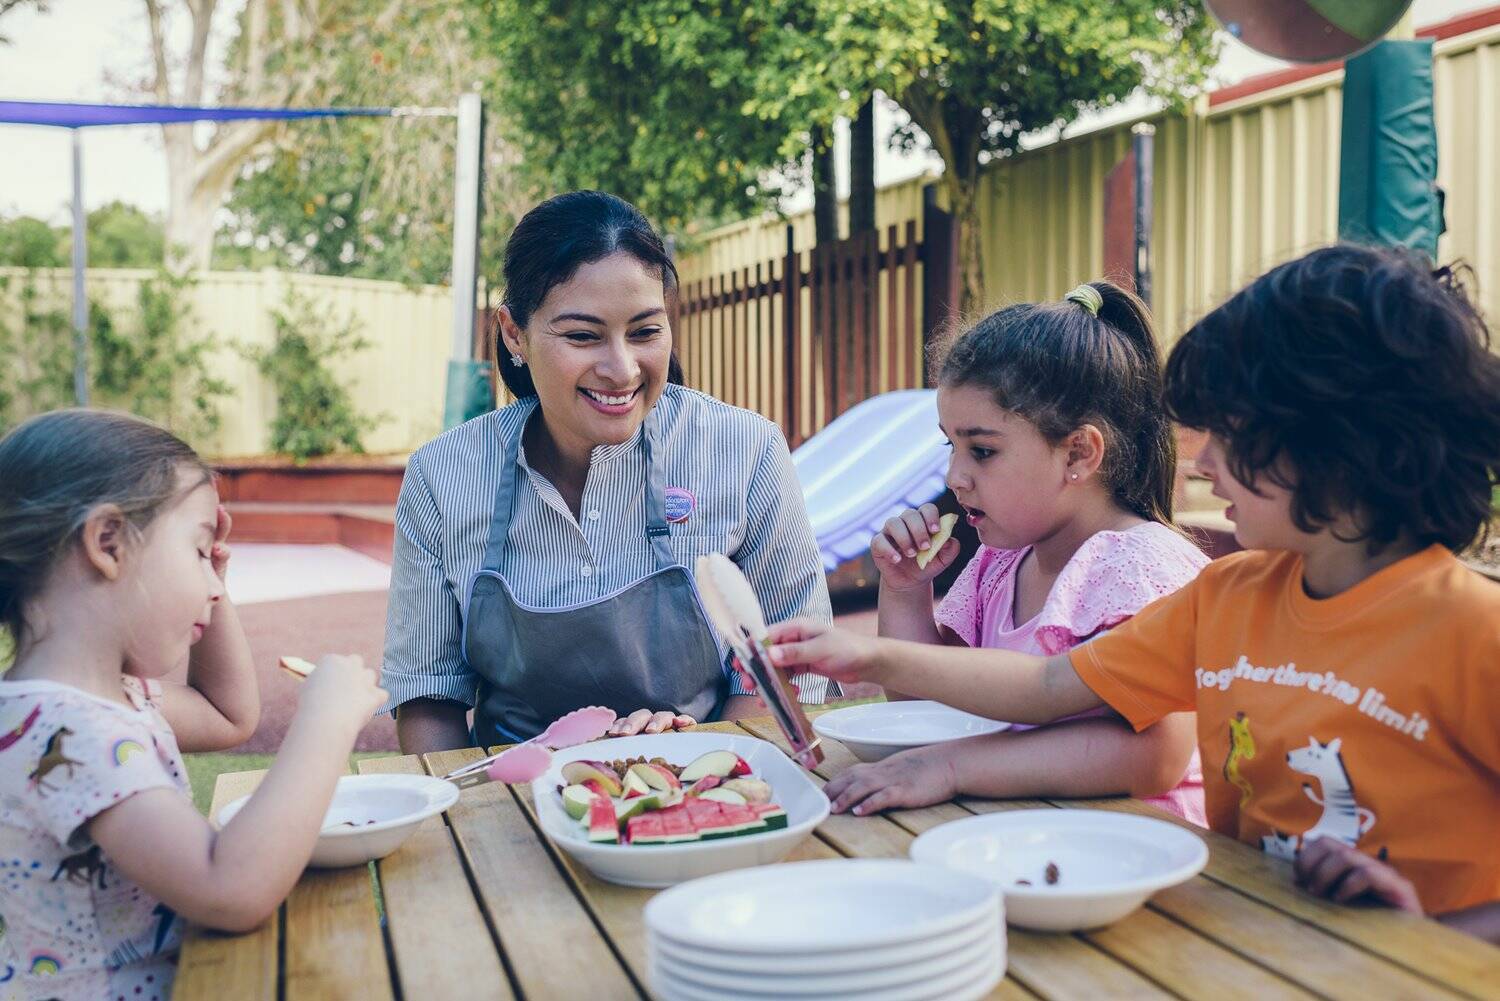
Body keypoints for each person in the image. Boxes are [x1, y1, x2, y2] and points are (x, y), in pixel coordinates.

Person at [766, 245, 1500, 942]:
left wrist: (1439, 932)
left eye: (1231, 432)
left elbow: (1135, 748)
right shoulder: (1230, 595)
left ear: (1339, 446)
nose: (1204, 461)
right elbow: (1051, 683)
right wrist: (874, 657)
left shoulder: (1475, 632)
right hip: (1251, 941)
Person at [382, 191, 834, 752]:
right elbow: (429, 695)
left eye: (645, 332)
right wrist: (474, 814)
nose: (621, 370)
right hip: (512, 799)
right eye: (582, 336)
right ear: (514, 333)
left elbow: (787, 666)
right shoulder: (442, 476)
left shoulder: (746, 451)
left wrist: (696, 763)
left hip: (709, 781)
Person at [0, 409, 386, 1000]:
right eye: (199, 551)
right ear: (108, 543)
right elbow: (229, 888)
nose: (213, 581)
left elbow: (226, 714)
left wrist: (215, 585)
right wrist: (326, 721)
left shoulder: (98, 700)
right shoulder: (66, 734)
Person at [823, 282, 1207, 822]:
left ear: (1078, 452)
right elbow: (934, 713)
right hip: (1030, 836)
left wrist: (951, 768)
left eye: (982, 451)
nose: (955, 477)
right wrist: (906, 591)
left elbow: (1155, 755)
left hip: (1145, 854)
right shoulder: (999, 563)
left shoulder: (1138, 569)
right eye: (950, 446)